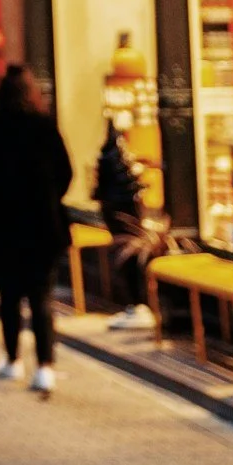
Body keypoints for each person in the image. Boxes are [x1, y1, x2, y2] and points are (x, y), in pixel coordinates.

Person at [0, 64, 73, 394]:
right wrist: (48, 199)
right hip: (42, 226)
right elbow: (66, 172)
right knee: (42, 299)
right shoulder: (44, 127)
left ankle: (12, 360)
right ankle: (44, 367)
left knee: (9, 297)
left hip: (3, 226)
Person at [95, 118, 150, 331]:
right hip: (119, 205)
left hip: (119, 207)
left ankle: (139, 305)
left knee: (127, 253)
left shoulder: (113, 159)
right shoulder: (114, 159)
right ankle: (135, 305)